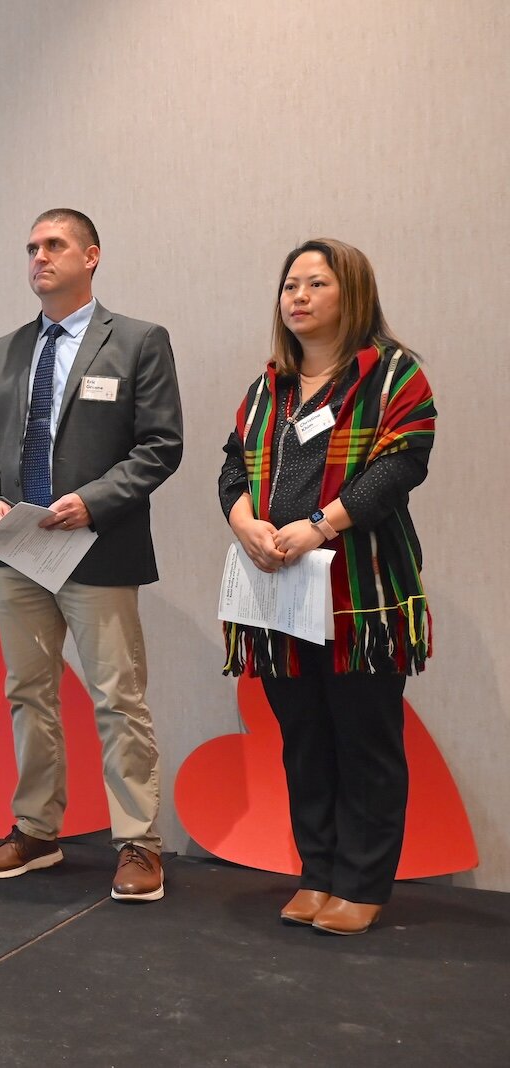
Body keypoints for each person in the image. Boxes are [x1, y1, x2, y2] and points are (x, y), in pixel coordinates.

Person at [0, 209, 182, 901]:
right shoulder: (6, 350)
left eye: (53, 245)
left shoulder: (140, 341)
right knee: (28, 694)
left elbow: (159, 446)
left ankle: (140, 844)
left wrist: (95, 500)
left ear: (91, 256)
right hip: (19, 550)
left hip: (98, 546)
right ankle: (36, 831)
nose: (38, 257)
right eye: (30, 247)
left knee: (118, 697)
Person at [218, 238, 435, 935]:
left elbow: (401, 464)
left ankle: (363, 881)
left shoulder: (394, 373)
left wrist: (319, 525)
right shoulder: (269, 385)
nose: (298, 297)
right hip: (277, 591)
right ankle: (318, 871)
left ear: (354, 294)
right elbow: (231, 467)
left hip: (361, 591)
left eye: (315, 283)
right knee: (303, 736)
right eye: (289, 285)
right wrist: (246, 521)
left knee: (363, 736)